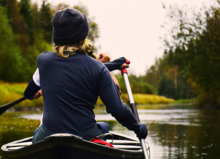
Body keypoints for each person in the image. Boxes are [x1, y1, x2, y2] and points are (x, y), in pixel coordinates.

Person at [24, 8, 147, 143]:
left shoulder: (43, 61)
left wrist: (114, 64)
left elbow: (29, 93)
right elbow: (117, 110)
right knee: (104, 127)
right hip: (85, 137)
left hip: (47, 136)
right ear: (83, 36)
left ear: (56, 37)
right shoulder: (97, 69)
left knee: (38, 132)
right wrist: (138, 128)